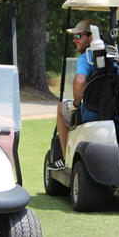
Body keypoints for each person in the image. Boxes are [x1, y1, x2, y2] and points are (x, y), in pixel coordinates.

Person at [48, 20, 103, 170]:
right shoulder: (114, 54)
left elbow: (80, 81)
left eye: (78, 35)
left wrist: (76, 105)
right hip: (113, 113)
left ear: (91, 37)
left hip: (91, 113)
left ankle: (65, 159)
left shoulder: (87, 57)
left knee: (61, 107)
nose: (74, 40)